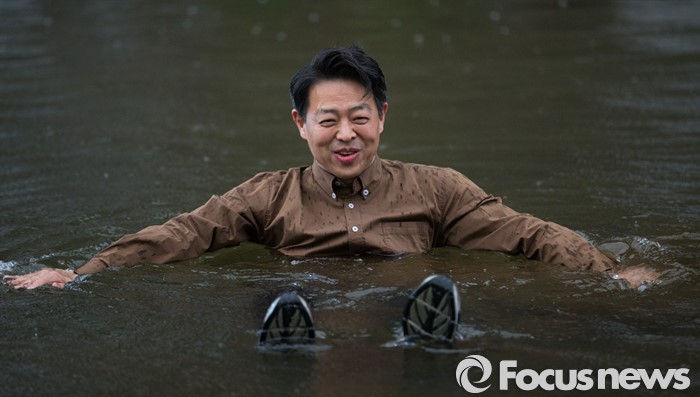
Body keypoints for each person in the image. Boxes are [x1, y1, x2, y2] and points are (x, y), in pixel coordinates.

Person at [4, 46, 656, 342]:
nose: (346, 134)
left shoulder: (437, 189)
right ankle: (290, 340)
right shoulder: (267, 197)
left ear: (382, 117)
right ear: (301, 124)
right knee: (281, 300)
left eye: (360, 117)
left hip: (403, 296)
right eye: (329, 120)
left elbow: (526, 233)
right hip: (301, 300)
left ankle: (422, 334)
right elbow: (183, 234)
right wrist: (83, 273)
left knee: (418, 296)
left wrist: (608, 272)